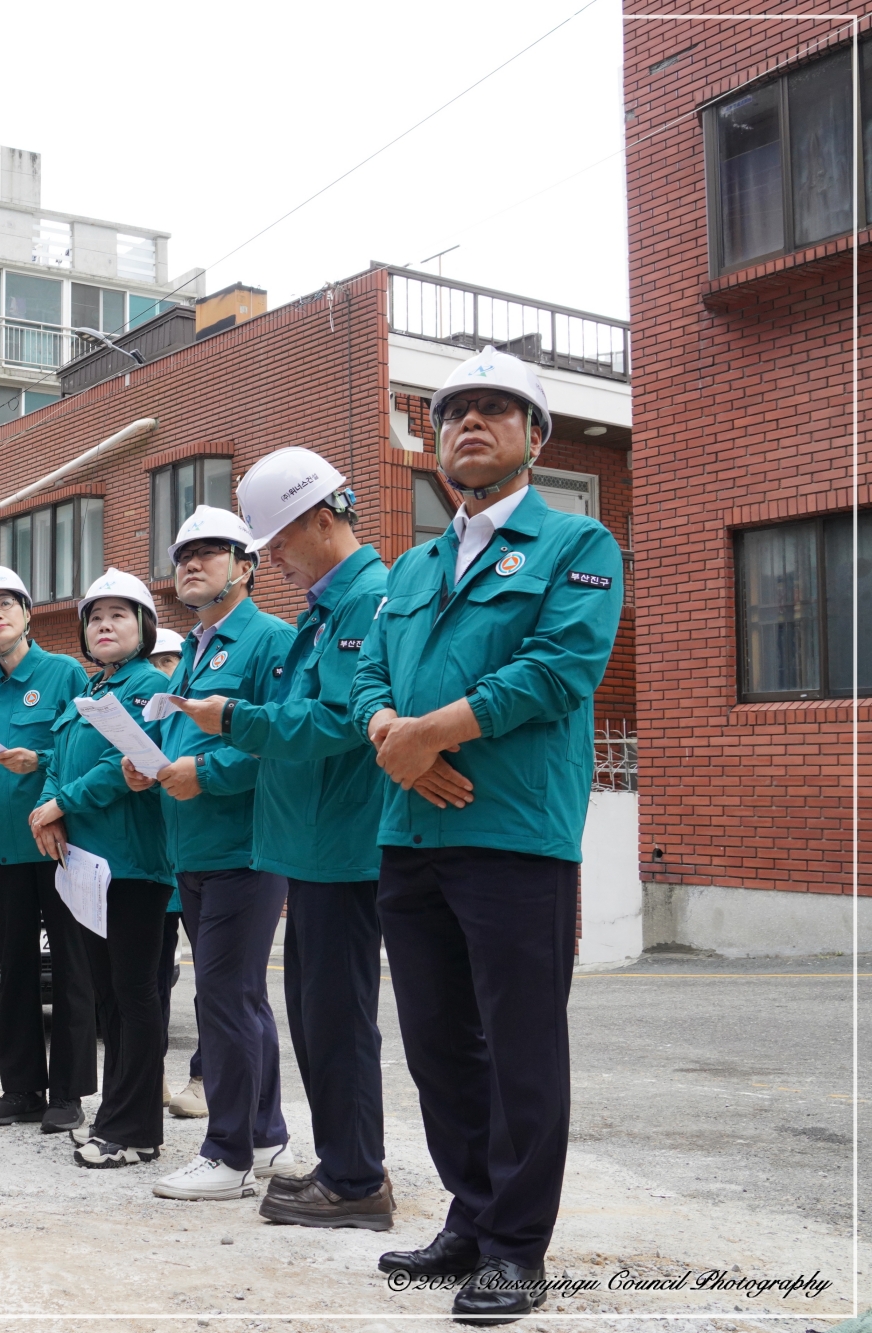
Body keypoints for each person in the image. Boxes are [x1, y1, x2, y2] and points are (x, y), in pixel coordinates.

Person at [352, 347, 624, 1323]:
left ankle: (515, 1248)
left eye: (495, 409)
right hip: (407, 831)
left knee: (517, 1046)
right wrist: (392, 734)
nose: (470, 421)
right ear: (432, 447)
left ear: (533, 438)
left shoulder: (576, 545)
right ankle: (469, 1217)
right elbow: (367, 678)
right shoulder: (410, 566)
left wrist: (432, 731)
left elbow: (560, 669)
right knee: (435, 1043)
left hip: (513, 833)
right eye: (454, 410)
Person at [176, 450, 400, 1228]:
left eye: (277, 542)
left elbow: (339, 723)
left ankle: (357, 1179)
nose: (272, 558)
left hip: (341, 843)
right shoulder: (326, 610)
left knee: (337, 1018)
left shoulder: (367, 600)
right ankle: (343, 1166)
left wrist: (232, 719)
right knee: (315, 1014)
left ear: (323, 519)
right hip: (312, 844)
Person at [112, 513, 294, 1200]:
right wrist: (146, 769)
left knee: (222, 995)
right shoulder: (191, 650)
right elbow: (179, 742)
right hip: (193, 847)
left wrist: (203, 774)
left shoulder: (271, 640)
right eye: (183, 553)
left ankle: (229, 1151)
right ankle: (266, 1129)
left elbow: (276, 740)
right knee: (240, 995)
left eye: (210, 552)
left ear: (245, 565)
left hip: (245, 846)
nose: (192, 563)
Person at [29, 568, 174, 1169]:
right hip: (84, 869)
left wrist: (61, 803)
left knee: (137, 996)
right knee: (110, 999)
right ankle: (120, 1115)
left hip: (136, 867)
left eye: (119, 614)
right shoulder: (87, 694)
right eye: (95, 616)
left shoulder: (148, 690)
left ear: (143, 627)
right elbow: (58, 763)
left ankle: (135, 1128)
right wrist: (51, 810)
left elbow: (128, 766)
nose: (104, 624)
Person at [0, 565, 96, 1135]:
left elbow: (84, 748)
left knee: (72, 967)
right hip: (4, 847)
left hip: (58, 843)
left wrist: (36, 762)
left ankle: (68, 1093)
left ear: (28, 612)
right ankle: (21, 1088)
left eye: (5, 603)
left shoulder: (64, 673)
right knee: (11, 968)